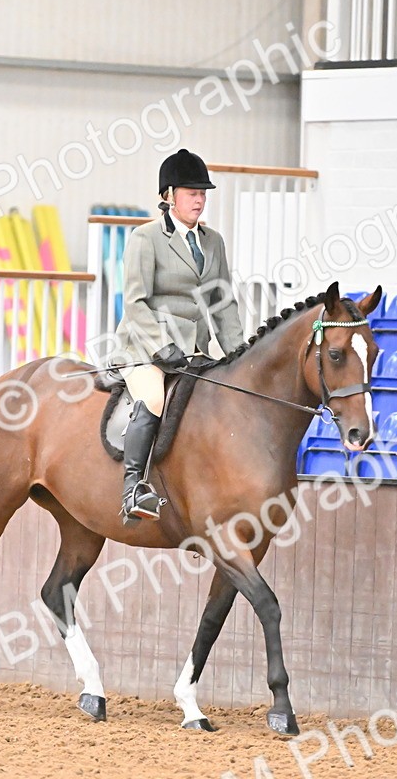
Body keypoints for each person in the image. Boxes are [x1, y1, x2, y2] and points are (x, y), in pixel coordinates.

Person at [112, 149, 244, 521]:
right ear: (169, 195)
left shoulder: (213, 241)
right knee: (153, 398)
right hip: (145, 347)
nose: (199, 199)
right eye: (191, 192)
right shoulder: (146, 238)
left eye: (203, 192)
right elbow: (135, 303)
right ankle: (133, 488)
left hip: (194, 352)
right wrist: (160, 347)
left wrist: (240, 357)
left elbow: (223, 305)